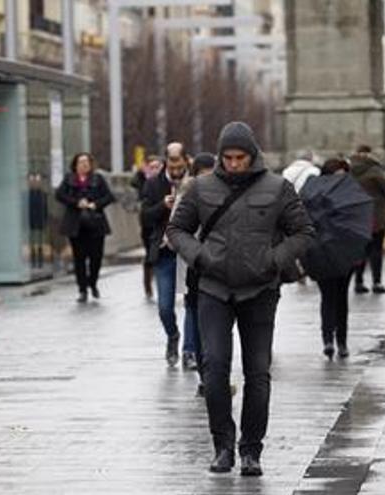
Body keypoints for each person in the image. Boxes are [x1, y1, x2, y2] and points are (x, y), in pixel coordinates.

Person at [167, 121, 314, 477]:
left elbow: (304, 231)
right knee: (214, 367)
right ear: (220, 157)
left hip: (260, 290)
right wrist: (199, 256)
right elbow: (176, 230)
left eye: (240, 157)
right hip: (214, 289)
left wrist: (274, 260)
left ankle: (251, 450)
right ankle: (222, 445)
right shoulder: (201, 188)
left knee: (258, 372)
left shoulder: (278, 188)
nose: (234, 164)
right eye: (228, 158)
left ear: (253, 155)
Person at [141, 142, 189, 366]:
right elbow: (145, 218)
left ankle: (189, 351)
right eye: (172, 162)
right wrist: (162, 206)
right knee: (164, 306)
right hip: (165, 252)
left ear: (185, 160)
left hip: (189, 252)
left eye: (180, 161)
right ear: (166, 162)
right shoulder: (153, 184)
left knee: (194, 304)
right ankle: (172, 336)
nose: (176, 167)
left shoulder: (196, 182)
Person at [307, 157, 356, 359]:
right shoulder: (314, 196)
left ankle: (342, 341)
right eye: (337, 175)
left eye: (344, 175)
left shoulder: (352, 195)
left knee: (342, 297)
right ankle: (328, 339)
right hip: (323, 252)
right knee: (328, 296)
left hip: (345, 252)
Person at [176, 152, 216, 380]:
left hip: (222, 267)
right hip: (196, 265)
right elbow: (175, 230)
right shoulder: (188, 195)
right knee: (197, 316)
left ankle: (215, 374)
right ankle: (205, 375)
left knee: (218, 325)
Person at [56, 152, 116, 303]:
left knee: (96, 257)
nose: (84, 165)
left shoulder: (98, 179)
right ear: (75, 165)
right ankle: (82, 289)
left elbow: (109, 196)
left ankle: (93, 282)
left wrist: (95, 204)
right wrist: (76, 202)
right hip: (76, 225)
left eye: (87, 162)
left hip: (95, 223)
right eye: (81, 162)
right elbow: (59, 195)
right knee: (79, 258)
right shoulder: (69, 179)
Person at [350, 145, 385, 294]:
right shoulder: (374, 170)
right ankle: (376, 282)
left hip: (357, 215)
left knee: (360, 249)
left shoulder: (349, 170)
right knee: (376, 249)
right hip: (375, 214)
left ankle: (358, 281)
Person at [131, 156, 163, 299]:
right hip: (148, 223)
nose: (155, 170)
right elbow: (134, 184)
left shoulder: (166, 182)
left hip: (162, 223)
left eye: (158, 166)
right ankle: (147, 285)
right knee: (150, 253)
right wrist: (141, 172)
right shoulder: (143, 181)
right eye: (152, 167)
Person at [28, 172, 48, 269]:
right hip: (31, 221)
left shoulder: (42, 194)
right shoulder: (28, 194)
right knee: (32, 242)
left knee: (39, 242)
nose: (35, 183)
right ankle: (33, 261)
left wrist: (45, 221)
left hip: (40, 221)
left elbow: (45, 209)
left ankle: (39, 261)